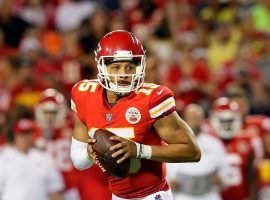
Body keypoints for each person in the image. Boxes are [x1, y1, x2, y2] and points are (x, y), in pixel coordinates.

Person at [70, 30, 201, 200]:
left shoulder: (152, 99)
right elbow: (78, 162)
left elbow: (192, 152)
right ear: (102, 66)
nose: (123, 74)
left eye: (130, 67)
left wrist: (140, 150)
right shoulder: (84, 95)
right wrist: (89, 153)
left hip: (153, 195)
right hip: (118, 196)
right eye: (116, 67)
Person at [34, 88, 111, 200]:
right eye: (46, 112)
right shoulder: (32, 133)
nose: (49, 117)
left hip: (70, 187)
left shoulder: (71, 129)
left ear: (61, 111)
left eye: (53, 112)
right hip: (42, 187)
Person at [167, 104, 232, 200]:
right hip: (183, 195)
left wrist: (222, 179)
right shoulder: (174, 144)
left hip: (209, 194)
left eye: (198, 118)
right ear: (184, 121)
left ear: (203, 120)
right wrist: (169, 183)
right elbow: (165, 172)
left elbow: (226, 169)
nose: (195, 122)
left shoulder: (214, 143)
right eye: (192, 118)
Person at [209, 97, 263, 200]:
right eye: (224, 121)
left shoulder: (249, 139)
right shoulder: (207, 141)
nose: (227, 125)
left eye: (230, 121)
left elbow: (253, 174)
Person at [0, 118, 64, 200]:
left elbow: (55, 190)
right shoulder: (4, 158)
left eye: (28, 134)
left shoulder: (44, 157)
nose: (25, 138)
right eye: (22, 134)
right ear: (15, 136)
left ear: (33, 135)